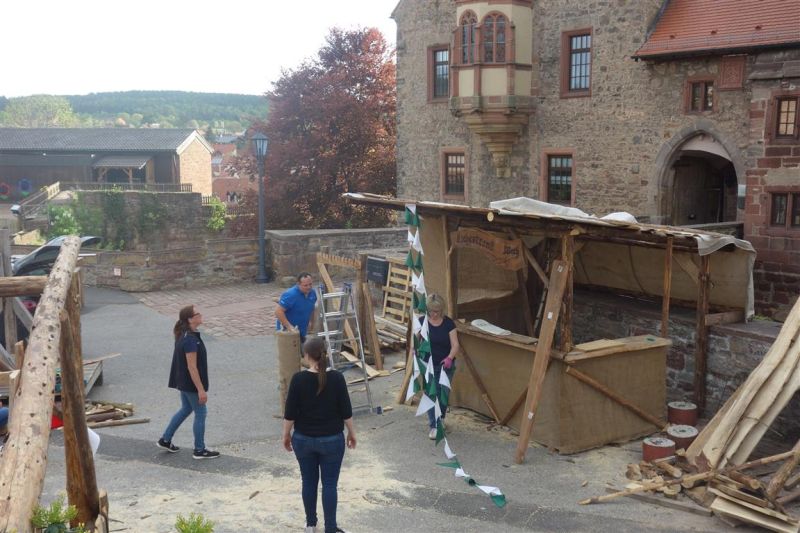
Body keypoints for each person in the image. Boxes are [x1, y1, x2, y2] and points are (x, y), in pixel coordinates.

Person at [283, 337, 356, 533]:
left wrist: (286, 435)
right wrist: (351, 432)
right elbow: (346, 411)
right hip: (331, 439)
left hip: (303, 439)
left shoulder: (298, 379)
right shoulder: (337, 378)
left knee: (308, 482)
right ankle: (330, 527)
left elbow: (289, 413)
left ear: (307, 356)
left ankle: (310, 524)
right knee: (330, 484)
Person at [157, 305, 220, 460]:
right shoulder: (190, 340)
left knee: (186, 408)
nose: (201, 314)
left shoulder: (184, 335)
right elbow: (192, 367)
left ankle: (165, 439)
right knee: (201, 413)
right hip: (190, 384)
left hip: (183, 382)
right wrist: (201, 390)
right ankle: (199, 449)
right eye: (198, 313)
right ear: (191, 319)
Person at [421, 293, 459, 440]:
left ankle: (441, 418)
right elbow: (415, 341)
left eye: (437, 311)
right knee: (431, 394)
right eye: (431, 311)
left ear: (441, 310)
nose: (434, 314)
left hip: (445, 365)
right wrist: (415, 350)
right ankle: (433, 426)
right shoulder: (423, 322)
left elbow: (455, 345)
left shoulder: (448, 323)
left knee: (443, 393)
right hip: (429, 365)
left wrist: (450, 357)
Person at [276, 272, 317, 343]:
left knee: (302, 348)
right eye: (305, 285)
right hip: (288, 332)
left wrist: (311, 321)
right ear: (298, 284)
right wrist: (289, 327)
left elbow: (311, 308)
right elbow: (278, 311)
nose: (309, 287)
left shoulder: (312, 293)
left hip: (302, 330)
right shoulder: (290, 295)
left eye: (310, 284)